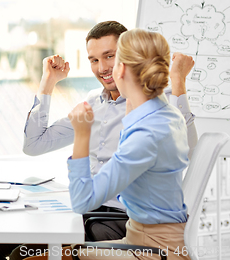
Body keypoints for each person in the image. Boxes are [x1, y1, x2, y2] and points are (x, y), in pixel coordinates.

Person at [0, 21, 196, 260]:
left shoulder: (156, 103)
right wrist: (48, 83)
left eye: (109, 56)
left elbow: (189, 151)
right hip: (82, 210)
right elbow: (34, 144)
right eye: (94, 60)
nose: (103, 68)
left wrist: (178, 83)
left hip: (116, 220)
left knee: (21, 255)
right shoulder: (94, 102)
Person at [63, 28, 190, 259]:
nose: (103, 68)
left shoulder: (145, 134)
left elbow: (82, 201)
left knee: (31, 255)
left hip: (151, 249)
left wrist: (82, 134)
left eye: (112, 58)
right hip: (149, 238)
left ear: (121, 69)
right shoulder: (168, 115)